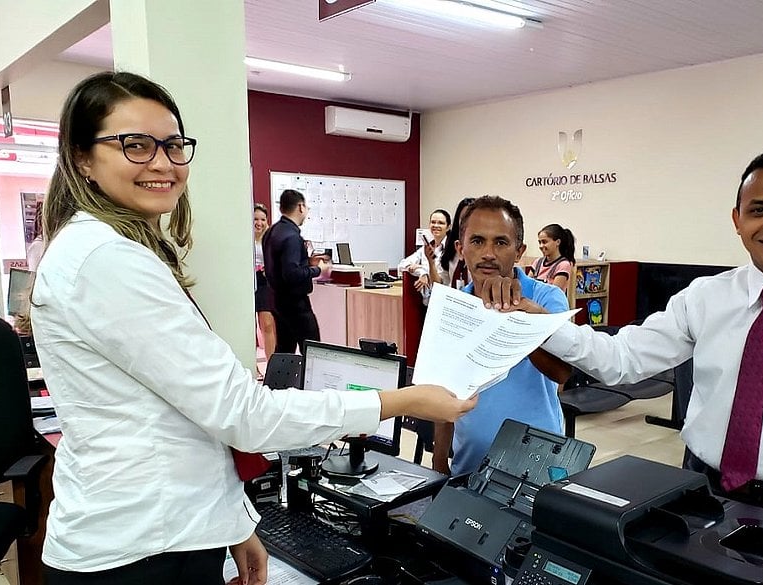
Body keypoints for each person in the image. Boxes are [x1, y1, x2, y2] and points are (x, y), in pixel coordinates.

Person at [30, 71, 476, 585]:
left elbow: (186, 416)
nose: (162, 163)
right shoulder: (107, 260)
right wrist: (400, 400)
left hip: (164, 529)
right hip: (141, 549)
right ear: (82, 158)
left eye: (172, 145)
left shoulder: (107, 249)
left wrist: (235, 521)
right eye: (135, 145)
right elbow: (243, 414)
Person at [482, 146, 763, 557]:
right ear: (737, 219)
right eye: (759, 209)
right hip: (698, 496)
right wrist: (538, 321)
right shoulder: (704, 298)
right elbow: (621, 359)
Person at [432, 196, 572, 475]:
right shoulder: (453, 307)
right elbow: (444, 392)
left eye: (500, 242)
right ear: (460, 248)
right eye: (477, 241)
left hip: (535, 467)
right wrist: (438, 461)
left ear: (519, 251)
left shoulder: (547, 299)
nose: (488, 253)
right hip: (468, 467)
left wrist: (516, 314)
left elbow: (561, 373)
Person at [262, 189, 329, 354]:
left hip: (277, 300)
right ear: (300, 207)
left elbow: (280, 264)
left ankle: (280, 373)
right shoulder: (292, 237)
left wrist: (307, 261)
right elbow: (292, 274)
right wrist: (318, 269)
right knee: (313, 350)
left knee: (285, 350)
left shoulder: (271, 232)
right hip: (295, 304)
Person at [398, 208, 450, 300]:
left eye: (441, 223)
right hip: (426, 301)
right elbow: (402, 265)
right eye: (433, 222)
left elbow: (439, 282)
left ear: (448, 227)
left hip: (443, 299)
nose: (436, 225)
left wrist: (421, 267)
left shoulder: (451, 249)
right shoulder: (426, 248)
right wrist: (422, 272)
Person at [252, 203, 277, 363]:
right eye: (255, 219)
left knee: (267, 324)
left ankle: (271, 364)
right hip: (246, 281)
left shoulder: (270, 239)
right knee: (248, 326)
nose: (259, 223)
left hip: (264, 282)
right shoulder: (244, 238)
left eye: (262, 219)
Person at [433, 197, 475, 290]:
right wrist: (430, 262)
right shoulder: (450, 247)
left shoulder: (483, 251)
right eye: (464, 218)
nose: (468, 222)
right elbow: (441, 282)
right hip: (452, 296)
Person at [524, 223, 576, 293]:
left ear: (558, 242)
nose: (541, 246)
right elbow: (527, 286)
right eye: (539, 242)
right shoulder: (537, 262)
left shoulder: (563, 265)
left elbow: (552, 293)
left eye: (544, 242)